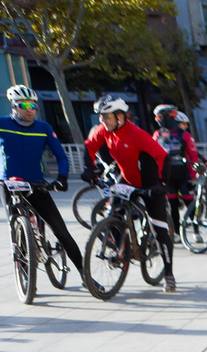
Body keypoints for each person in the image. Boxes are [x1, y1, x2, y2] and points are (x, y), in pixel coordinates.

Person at [84, 95, 174, 292]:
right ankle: (121, 249)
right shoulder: (104, 131)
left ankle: (168, 273)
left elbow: (163, 158)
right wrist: (89, 169)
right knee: (112, 212)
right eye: (101, 117)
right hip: (127, 179)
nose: (102, 121)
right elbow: (89, 147)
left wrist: (162, 185)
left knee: (159, 227)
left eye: (106, 117)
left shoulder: (137, 134)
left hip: (150, 181)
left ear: (120, 116)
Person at [0, 84, 84, 278]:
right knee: (15, 227)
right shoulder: (3, 124)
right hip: (9, 185)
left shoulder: (43, 128)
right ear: (14, 106)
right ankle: (25, 274)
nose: (30, 110)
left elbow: (61, 156)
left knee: (61, 231)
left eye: (33, 105)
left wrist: (62, 177)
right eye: (24, 105)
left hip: (36, 183)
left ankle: (84, 274)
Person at [151, 105, 197, 266]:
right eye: (155, 118)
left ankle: (196, 230)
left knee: (188, 200)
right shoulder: (157, 134)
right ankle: (176, 232)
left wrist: (193, 175)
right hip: (166, 176)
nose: (157, 121)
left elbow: (192, 155)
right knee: (172, 204)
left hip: (183, 174)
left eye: (159, 117)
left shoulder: (184, 135)